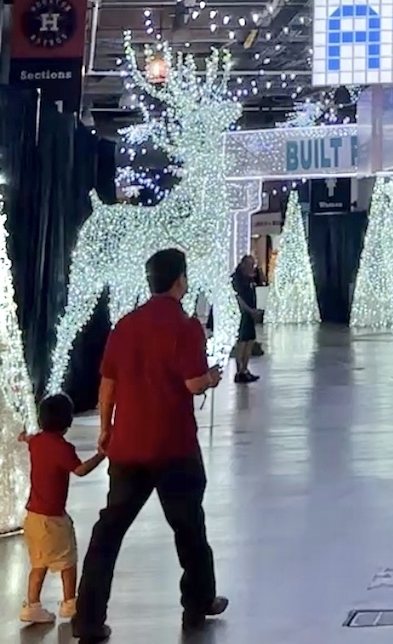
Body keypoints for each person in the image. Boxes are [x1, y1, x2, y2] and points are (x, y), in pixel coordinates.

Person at [72, 248, 226, 644]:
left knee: (108, 532)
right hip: (173, 446)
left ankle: (88, 620)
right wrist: (211, 377)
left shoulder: (125, 325)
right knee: (189, 526)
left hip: (129, 446)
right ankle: (197, 606)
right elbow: (193, 383)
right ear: (180, 280)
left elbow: (107, 384)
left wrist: (105, 428)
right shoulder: (187, 326)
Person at [19, 394, 105, 625]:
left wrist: (24, 437)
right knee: (68, 560)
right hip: (53, 518)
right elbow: (79, 470)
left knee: (38, 563)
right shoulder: (62, 447)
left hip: (33, 517)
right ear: (67, 421)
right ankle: (69, 602)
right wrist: (102, 455)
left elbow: (28, 440)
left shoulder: (37, 441)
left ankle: (32, 605)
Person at [231, 255, 263, 383]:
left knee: (249, 341)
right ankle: (239, 371)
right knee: (242, 342)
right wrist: (249, 310)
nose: (252, 267)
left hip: (249, 313)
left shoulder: (250, 278)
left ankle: (245, 369)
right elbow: (237, 298)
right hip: (242, 314)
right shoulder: (237, 279)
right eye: (250, 264)